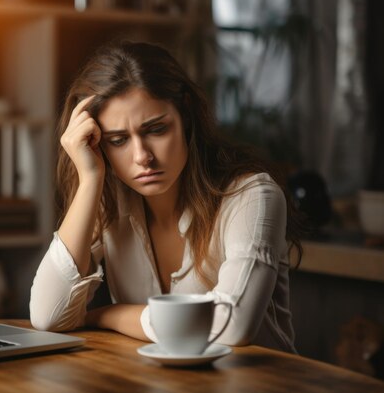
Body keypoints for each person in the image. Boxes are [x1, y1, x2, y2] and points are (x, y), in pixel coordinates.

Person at [29, 41, 302, 353]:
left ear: (185, 115)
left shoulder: (252, 196)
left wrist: (110, 315)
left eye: (156, 130)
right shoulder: (110, 202)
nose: (142, 156)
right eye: (118, 140)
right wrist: (90, 179)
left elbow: (232, 323)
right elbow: (47, 315)